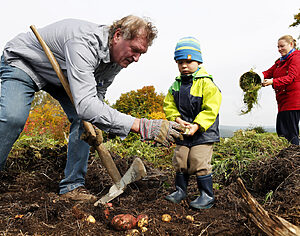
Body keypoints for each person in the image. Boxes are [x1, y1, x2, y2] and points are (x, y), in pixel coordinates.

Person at [0, 15, 184, 202]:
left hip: (64, 75)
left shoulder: (117, 60)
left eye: (141, 53)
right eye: (135, 50)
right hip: (25, 63)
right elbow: (87, 105)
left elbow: (97, 94)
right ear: (117, 36)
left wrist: (95, 123)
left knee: (86, 123)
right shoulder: (83, 42)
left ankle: (72, 187)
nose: (136, 59)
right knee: (12, 117)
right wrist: (143, 126)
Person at [163, 37, 222, 209]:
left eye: (189, 62)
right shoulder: (176, 85)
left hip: (203, 132)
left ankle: (207, 195)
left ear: (198, 61)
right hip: (183, 131)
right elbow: (169, 104)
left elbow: (211, 108)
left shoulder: (207, 83)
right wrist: (176, 119)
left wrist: (197, 125)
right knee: (181, 160)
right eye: (180, 62)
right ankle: (180, 190)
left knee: (198, 161)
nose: (184, 66)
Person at [261, 35, 300, 145]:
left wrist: (272, 81)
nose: (279, 49)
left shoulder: (296, 58)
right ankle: (286, 159)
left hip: (293, 101)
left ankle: (296, 158)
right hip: (283, 102)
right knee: (282, 132)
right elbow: (268, 73)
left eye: (282, 46)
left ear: (291, 44)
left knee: (291, 134)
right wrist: (255, 76)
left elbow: (291, 77)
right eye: (278, 47)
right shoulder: (280, 61)